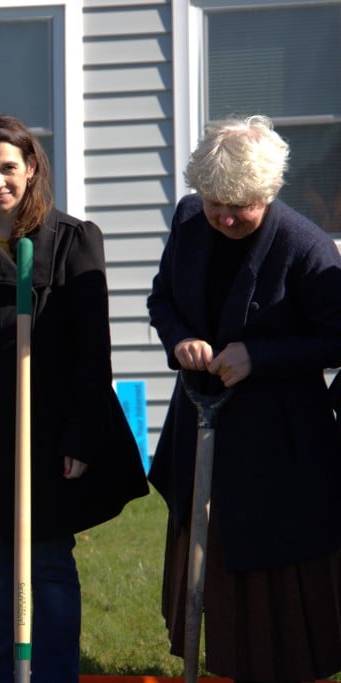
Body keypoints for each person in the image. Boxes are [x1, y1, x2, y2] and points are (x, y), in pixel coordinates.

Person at [0, 114, 149, 683]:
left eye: (7, 168)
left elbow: (93, 353)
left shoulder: (72, 240)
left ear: (31, 169)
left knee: (48, 562)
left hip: (50, 429)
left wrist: (81, 436)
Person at [148, 115, 341, 683]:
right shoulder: (189, 220)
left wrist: (260, 356)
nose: (226, 216)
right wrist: (179, 337)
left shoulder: (307, 248)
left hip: (277, 445)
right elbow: (163, 298)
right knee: (207, 555)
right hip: (201, 422)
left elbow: (337, 338)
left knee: (272, 573)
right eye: (215, 203)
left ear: (269, 192)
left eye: (241, 205)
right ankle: (219, 663)